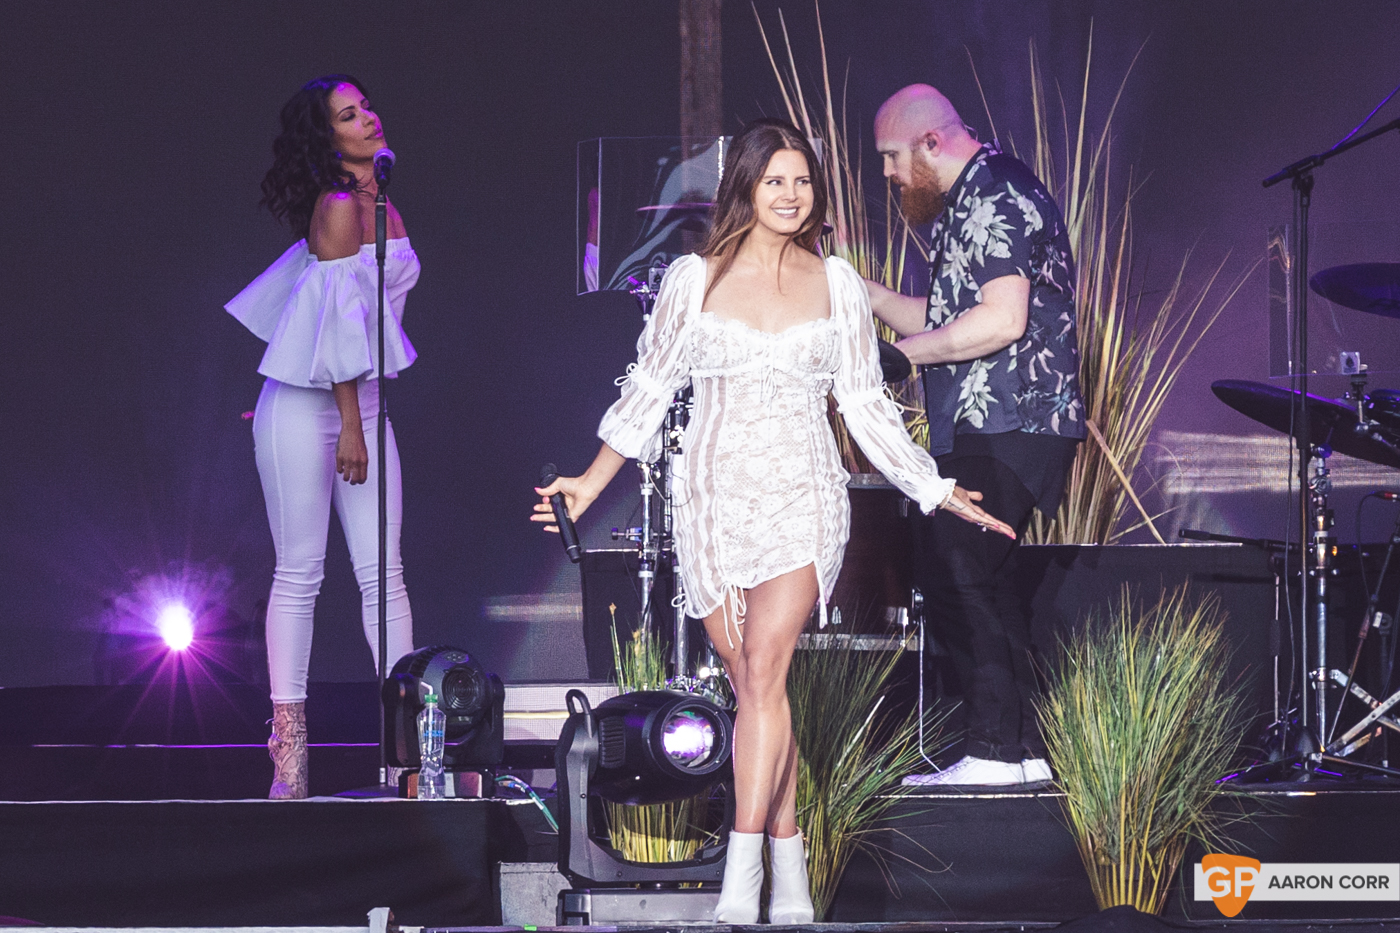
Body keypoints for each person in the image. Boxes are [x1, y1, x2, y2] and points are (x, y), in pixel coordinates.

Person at [533, 118, 1013, 923]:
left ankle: (739, 880)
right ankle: (791, 869)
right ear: (747, 190)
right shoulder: (695, 279)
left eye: (802, 181)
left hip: (802, 495)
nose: (791, 196)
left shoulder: (838, 285)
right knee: (760, 687)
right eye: (774, 181)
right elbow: (647, 396)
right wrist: (588, 480)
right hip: (712, 500)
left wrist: (931, 486)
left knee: (762, 668)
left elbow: (865, 405)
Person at [865, 84, 1085, 788]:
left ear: (931, 143)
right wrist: (857, 292)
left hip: (1014, 420)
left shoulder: (995, 194)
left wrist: (904, 356)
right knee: (968, 568)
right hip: (984, 422)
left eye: (892, 158)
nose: (890, 174)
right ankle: (1020, 753)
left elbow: (1001, 321)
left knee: (955, 559)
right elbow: (941, 313)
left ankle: (994, 751)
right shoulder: (967, 202)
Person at [225, 74, 418, 799]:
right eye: (348, 114)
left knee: (384, 574)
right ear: (327, 137)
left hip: (361, 403)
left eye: (366, 104)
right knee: (301, 571)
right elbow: (339, 326)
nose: (367, 117)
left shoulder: (386, 202)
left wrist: (363, 414)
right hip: (312, 408)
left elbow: (375, 318)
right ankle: (290, 754)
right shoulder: (338, 208)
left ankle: (409, 746)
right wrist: (349, 426)